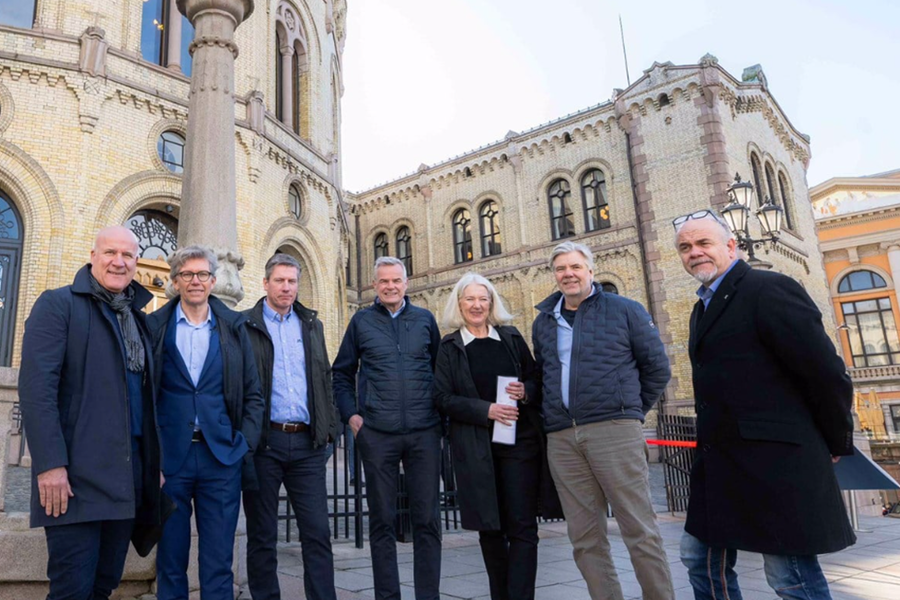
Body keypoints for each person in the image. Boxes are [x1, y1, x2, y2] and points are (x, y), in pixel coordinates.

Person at [674, 210, 855, 599]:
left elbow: (825, 372)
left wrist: (835, 437)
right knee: (699, 559)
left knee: (789, 575)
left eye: (703, 243)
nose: (694, 252)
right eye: (685, 247)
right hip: (721, 463)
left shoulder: (769, 288)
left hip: (774, 462)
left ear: (731, 246)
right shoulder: (702, 306)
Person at [19, 226, 165, 599]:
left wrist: (153, 466)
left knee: (104, 585)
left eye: (128, 255)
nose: (119, 261)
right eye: (110, 252)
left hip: (127, 478)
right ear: (93, 256)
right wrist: (50, 465)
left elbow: (146, 400)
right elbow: (37, 391)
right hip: (74, 479)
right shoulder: (58, 305)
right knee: (72, 590)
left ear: (136, 262)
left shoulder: (139, 320)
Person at [532, 240, 674, 600]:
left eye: (575, 267)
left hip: (614, 431)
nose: (568, 274)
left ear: (590, 271)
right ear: (554, 275)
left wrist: (627, 412)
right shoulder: (543, 321)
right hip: (563, 438)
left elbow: (657, 368)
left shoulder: (624, 310)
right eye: (561, 268)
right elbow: (545, 373)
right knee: (584, 538)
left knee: (639, 530)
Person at [434, 273, 562, 600]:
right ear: (459, 304)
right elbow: (442, 398)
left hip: (519, 445)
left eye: (483, 299)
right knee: (490, 529)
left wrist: (526, 390)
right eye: (470, 299)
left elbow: (536, 379)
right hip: (477, 449)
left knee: (523, 527)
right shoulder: (449, 347)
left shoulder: (510, 337)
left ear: (491, 303)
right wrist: (486, 410)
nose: (477, 305)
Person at [148, 245, 265, 600]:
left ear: (213, 281)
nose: (195, 281)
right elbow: (143, 395)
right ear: (175, 281)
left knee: (218, 562)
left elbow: (253, 394)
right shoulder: (155, 327)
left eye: (202, 274)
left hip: (221, 458)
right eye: (187, 274)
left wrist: (242, 445)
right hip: (171, 461)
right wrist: (152, 458)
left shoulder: (234, 328)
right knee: (170, 560)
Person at [332, 256, 443, 600]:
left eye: (396, 280)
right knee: (382, 521)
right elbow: (341, 373)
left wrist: (439, 419)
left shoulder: (424, 320)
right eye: (384, 281)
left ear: (406, 283)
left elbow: (440, 371)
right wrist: (352, 416)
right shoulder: (361, 322)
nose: (390, 286)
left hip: (423, 432)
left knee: (427, 520)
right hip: (377, 433)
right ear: (375, 285)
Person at [242, 253, 338, 600]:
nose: (286, 287)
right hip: (265, 444)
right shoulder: (245, 325)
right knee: (262, 534)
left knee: (317, 533)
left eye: (292, 281)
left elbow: (324, 377)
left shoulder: (312, 324)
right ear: (265, 283)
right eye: (280, 280)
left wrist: (330, 430)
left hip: (307, 445)